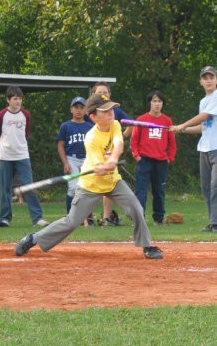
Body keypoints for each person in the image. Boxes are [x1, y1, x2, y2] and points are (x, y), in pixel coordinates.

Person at [14, 93, 163, 260]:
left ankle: (147, 246)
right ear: (93, 117)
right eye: (105, 111)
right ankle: (34, 238)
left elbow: (119, 143)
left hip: (113, 182)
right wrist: (102, 167)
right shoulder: (91, 138)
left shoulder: (114, 125)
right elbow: (99, 168)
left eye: (111, 110)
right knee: (72, 221)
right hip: (90, 185)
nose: (110, 113)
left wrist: (112, 160)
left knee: (135, 208)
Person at [0, 86, 49, 228]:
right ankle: (5, 219)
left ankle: (37, 218)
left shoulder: (26, 115)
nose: (18, 101)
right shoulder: (1, 115)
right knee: (6, 189)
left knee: (29, 186)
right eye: (15, 98)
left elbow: (26, 133)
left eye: (20, 98)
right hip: (5, 156)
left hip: (22, 155)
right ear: (8, 100)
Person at [170, 65, 217, 232]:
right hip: (204, 148)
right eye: (205, 77)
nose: (209, 80)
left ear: (216, 80)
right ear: (201, 82)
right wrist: (180, 129)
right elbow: (203, 127)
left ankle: (215, 223)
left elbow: (203, 117)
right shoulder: (203, 101)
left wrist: (182, 124)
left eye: (211, 77)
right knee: (206, 188)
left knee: (215, 186)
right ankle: (213, 223)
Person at [131, 90, 176, 225]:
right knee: (141, 191)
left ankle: (158, 218)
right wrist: (137, 156)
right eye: (154, 101)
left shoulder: (167, 121)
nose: (157, 104)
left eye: (160, 101)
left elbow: (172, 142)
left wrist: (170, 157)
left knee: (159, 191)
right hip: (144, 160)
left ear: (163, 104)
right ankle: (139, 218)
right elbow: (134, 140)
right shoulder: (141, 119)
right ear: (149, 103)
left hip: (161, 162)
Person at [90, 81, 131, 226]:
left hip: (109, 156)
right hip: (93, 153)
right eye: (99, 92)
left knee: (110, 183)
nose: (102, 95)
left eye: (105, 92)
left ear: (110, 95)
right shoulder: (91, 111)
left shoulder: (114, 111)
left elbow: (130, 124)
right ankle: (86, 218)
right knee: (89, 187)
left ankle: (106, 217)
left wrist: (120, 140)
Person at [57, 95, 93, 215]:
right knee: (73, 188)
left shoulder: (90, 127)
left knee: (87, 188)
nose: (78, 110)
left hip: (86, 160)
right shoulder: (66, 126)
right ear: (71, 109)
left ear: (85, 110)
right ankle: (70, 216)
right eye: (76, 107)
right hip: (71, 158)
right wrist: (65, 163)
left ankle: (87, 217)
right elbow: (61, 145)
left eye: (81, 107)